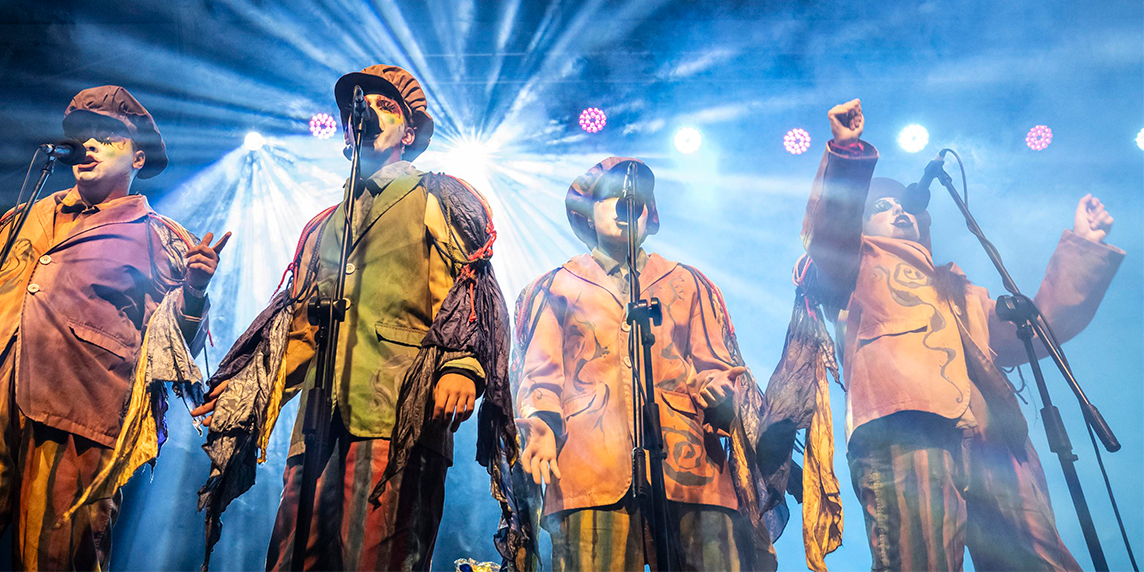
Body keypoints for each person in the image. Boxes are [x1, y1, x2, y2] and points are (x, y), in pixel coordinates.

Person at [194, 64, 521, 572]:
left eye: (385, 106)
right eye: (358, 104)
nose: (366, 110)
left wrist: (461, 365)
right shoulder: (325, 225)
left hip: (396, 415)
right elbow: (298, 326)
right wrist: (250, 391)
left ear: (409, 133)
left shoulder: (436, 197)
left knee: (376, 559)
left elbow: (473, 287)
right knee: (289, 560)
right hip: (318, 427)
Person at [799, 98, 1124, 572]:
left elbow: (1035, 333)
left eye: (905, 207)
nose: (900, 212)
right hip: (906, 429)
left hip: (992, 437)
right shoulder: (853, 266)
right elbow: (828, 231)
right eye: (881, 206)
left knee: (1039, 560)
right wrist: (847, 153)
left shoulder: (957, 285)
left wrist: (1084, 249)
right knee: (920, 560)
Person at [0, 85, 227, 571]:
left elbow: (177, 348)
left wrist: (195, 291)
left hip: (76, 418)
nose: (89, 144)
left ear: (139, 157)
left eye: (108, 138)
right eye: (83, 136)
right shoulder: (23, 217)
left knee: (56, 561)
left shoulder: (158, 236)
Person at [513, 157, 778, 572]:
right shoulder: (558, 286)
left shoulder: (686, 281)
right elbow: (540, 372)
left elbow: (715, 364)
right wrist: (543, 426)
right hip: (589, 466)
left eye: (635, 198)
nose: (624, 204)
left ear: (649, 213)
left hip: (690, 468)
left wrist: (719, 390)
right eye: (610, 197)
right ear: (586, 214)